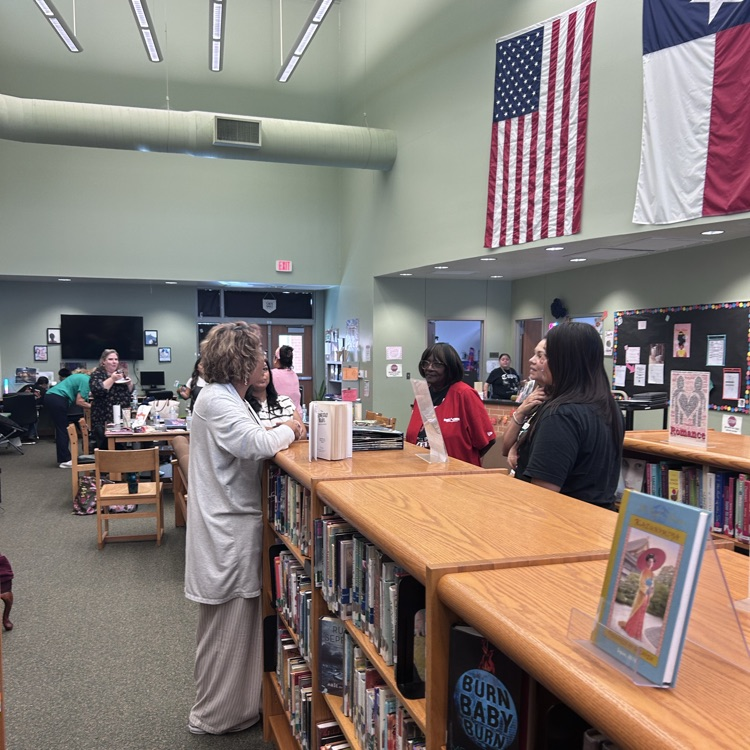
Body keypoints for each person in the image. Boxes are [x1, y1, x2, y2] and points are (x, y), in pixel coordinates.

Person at [184, 321, 303, 736]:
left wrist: (276, 430)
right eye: (257, 355)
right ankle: (216, 716)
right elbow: (252, 444)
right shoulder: (218, 400)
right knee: (228, 626)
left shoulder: (223, 397)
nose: (264, 362)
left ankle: (237, 707)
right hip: (226, 530)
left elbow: (248, 437)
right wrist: (291, 428)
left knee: (238, 624)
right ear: (242, 361)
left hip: (230, 523)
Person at [506, 322, 624, 509]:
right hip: (598, 521)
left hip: (563, 527)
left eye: (547, 356)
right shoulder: (609, 406)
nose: (541, 362)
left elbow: (542, 499)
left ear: (564, 361)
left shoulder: (561, 415)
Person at [405, 342, 495, 466]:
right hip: (421, 473)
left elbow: (486, 441)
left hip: (457, 476)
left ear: (450, 367)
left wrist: (465, 464)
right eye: (426, 363)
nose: (429, 368)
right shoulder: (422, 395)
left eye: (437, 364)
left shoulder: (464, 394)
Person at [246, 358, 307, 437]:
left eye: (265, 369)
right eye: (256, 369)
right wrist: (288, 428)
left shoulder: (285, 401)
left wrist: (271, 430)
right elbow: (251, 435)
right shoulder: (243, 405)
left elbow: (303, 434)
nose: (262, 373)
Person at [89, 349, 135, 449]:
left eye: (116, 359)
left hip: (121, 415)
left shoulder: (121, 373)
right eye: (110, 359)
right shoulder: (97, 374)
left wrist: (129, 384)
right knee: (105, 446)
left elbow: (130, 391)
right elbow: (97, 390)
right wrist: (112, 379)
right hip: (103, 416)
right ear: (103, 361)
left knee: (121, 445)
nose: (114, 362)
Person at [44, 370, 91, 467]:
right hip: (57, 398)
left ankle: (65, 458)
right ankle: (65, 460)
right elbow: (80, 402)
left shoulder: (80, 377)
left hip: (52, 397)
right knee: (62, 429)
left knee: (61, 428)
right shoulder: (87, 380)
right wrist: (94, 407)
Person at [618, 550, 663, 641]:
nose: (651, 563)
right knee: (637, 612)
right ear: (647, 562)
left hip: (647, 595)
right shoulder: (644, 572)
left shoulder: (652, 574)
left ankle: (637, 633)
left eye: (652, 561)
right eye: (649, 561)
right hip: (642, 594)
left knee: (642, 614)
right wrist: (646, 590)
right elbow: (642, 583)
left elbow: (652, 584)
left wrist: (651, 589)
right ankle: (631, 630)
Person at [272, 345, 302, 413]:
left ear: (277, 360)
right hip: (298, 415)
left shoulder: (272, 374)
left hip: (281, 415)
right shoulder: (294, 375)